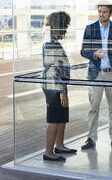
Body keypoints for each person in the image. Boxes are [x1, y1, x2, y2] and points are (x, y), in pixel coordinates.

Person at [80, 1, 112, 150]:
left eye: (104, 12)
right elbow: (83, 50)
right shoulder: (90, 28)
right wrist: (93, 53)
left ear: (111, 13)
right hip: (96, 74)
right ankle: (91, 138)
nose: (101, 14)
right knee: (93, 108)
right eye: (100, 11)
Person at [41, 11, 76, 162]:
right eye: (65, 25)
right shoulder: (50, 42)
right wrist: (61, 90)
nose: (67, 28)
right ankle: (48, 152)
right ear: (59, 26)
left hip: (57, 83)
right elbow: (54, 68)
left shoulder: (52, 40)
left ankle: (59, 145)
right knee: (54, 118)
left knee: (61, 116)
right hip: (54, 85)